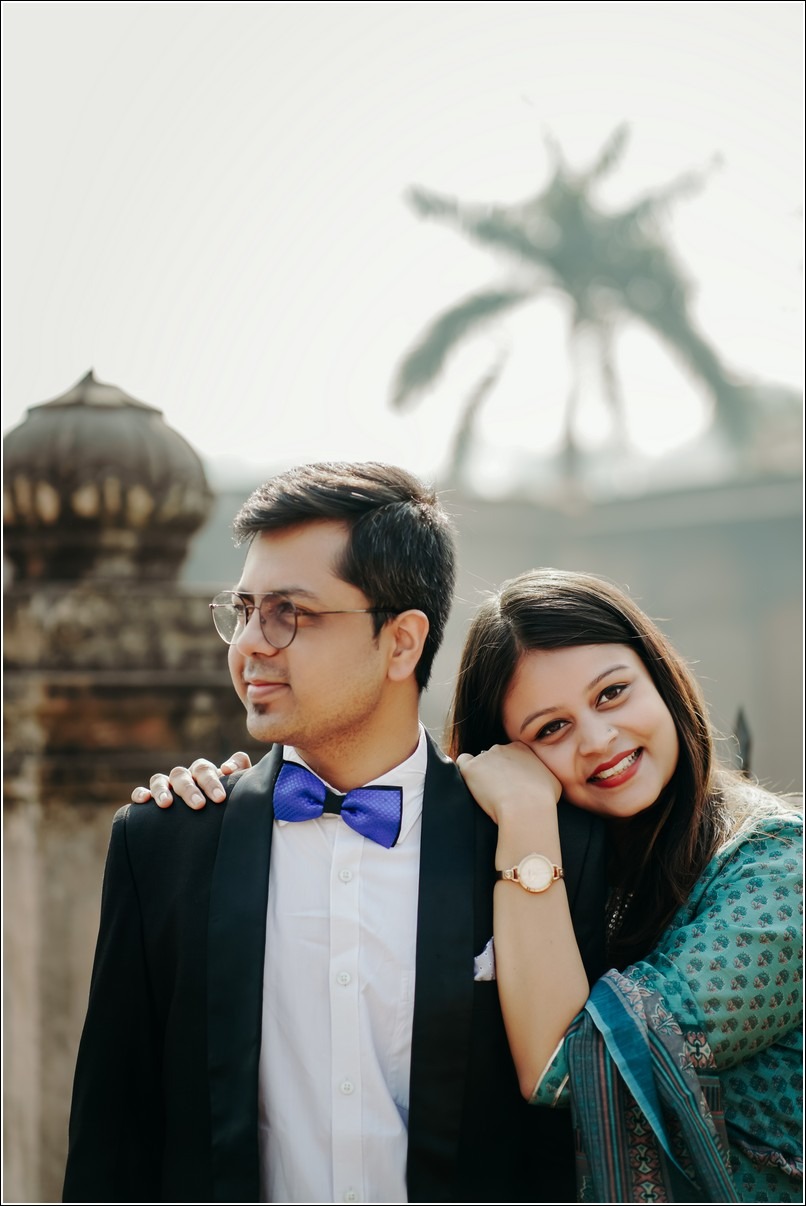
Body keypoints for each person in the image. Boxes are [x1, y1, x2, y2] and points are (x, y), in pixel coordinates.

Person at [63, 464, 607, 1205]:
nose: (252, 644)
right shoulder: (163, 845)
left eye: (291, 613)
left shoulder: (527, 844)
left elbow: (576, 1140)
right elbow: (112, 1144)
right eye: (246, 610)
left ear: (402, 643)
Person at [447, 568, 803, 1203]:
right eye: (550, 729)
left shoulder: (779, 871)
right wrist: (228, 803)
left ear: (659, 676)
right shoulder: (587, 866)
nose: (598, 739)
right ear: (513, 760)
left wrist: (527, 819)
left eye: (611, 694)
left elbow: (571, 1068)